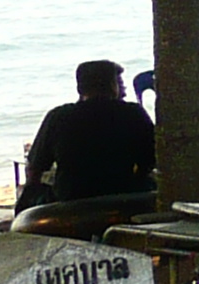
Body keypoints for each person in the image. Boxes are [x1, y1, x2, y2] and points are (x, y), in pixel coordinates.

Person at [19, 61, 158, 209]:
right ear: (113, 86)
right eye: (120, 83)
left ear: (80, 88)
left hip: (71, 201)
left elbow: (35, 168)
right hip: (123, 198)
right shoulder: (133, 113)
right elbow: (151, 159)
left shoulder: (59, 116)